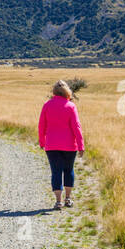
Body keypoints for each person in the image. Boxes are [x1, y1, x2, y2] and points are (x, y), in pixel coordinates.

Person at [38, 80, 84, 209]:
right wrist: (81, 145)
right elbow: (76, 127)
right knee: (68, 170)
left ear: (54, 92)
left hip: (51, 145)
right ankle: (68, 199)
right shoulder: (70, 106)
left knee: (56, 172)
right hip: (70, 145)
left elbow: (42, 126)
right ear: (67, 92)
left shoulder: (47, 105)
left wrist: (42, 141)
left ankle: (58, 201)